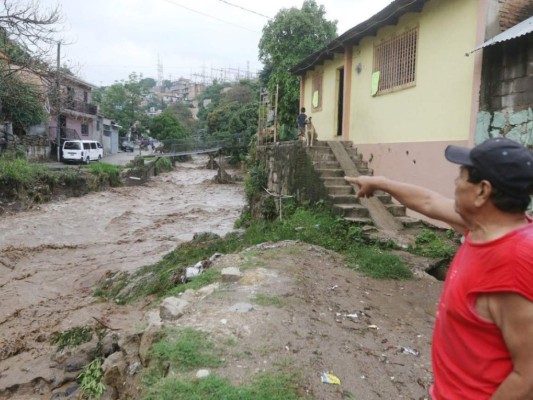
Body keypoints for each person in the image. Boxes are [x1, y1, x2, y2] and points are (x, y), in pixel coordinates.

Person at [345, 137, 533, 399]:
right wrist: (381, 183)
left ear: (482, 191)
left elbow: (528, 378)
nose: (455, 183)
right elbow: (428, 202)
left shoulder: (514, 262)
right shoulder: (484, 227)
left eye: (462, 175)